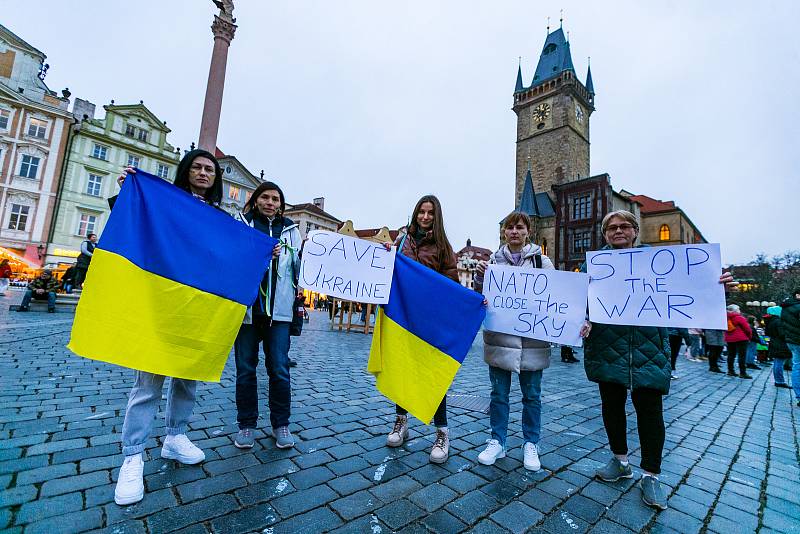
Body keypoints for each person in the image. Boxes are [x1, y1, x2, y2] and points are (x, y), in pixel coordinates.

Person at [579, 210, 735, 510]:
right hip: (607, 347)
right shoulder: (596, 266)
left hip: (649, 348)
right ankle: (620, 460)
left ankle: (651, 474)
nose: (617, 231)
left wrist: (721, 287)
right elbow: (581, 302)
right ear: (604, 234)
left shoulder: (662, 263)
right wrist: (582, 318)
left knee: (650, 412)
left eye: (624, 226)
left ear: (636, 231)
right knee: (611, 408)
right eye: (611, 228)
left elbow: (695, 289)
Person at [114, 149, 224, 506]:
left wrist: (260, 252)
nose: (204, 173)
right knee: (148, 383)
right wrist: (129, 191)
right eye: (198, 167)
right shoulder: (165, 199)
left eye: (210, 169)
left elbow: (227, 252)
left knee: (187, 379)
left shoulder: (219, 215)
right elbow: (133, 221)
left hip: (198, 308)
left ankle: (175, 437)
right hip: (161, 303)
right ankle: (132, 456)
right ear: (186, 171)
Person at [473, 211, 552, 471]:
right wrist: (481, 277)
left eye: (519, 227)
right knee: (499, 395)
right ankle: (498, 441)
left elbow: (556, 298)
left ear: (528, 231)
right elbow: (480, 296)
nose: (514, 231)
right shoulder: (492, 264)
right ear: (504, 232)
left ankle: (531, 443)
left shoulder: (543, 263)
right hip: (501, 340)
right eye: (510, 227)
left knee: (532, 396)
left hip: (532, 341)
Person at [384, 195, 459, 463]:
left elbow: (452, 282)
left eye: (430, 213)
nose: (425, 217)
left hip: (429, 320)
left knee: (433, 377)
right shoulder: (403, 241)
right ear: (415, 214)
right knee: (402, 370)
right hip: (403, 318)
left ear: (436, 217)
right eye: (421, 212)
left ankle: (442, 433)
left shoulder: (443, 246)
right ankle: (401, 422)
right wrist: (386, 255)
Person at [232, 181, 302, 450]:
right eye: (266, 197)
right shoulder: (241, 223)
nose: (270, 203)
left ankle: (280, 424)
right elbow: (232, 255)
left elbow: (301, 266)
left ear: (281, 205)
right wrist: (258, 254)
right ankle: (246, 425)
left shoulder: (291, 231)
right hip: (248, 311)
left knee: (280, 370)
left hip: (280, 313)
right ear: (256, 199)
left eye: (275, 199)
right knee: (246, 370)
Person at [780, 289, 800, 407]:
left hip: (791, 341)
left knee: (797, 366)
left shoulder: (786, 307)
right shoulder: (798, 307)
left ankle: (799, 395)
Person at [764, 306, 791, 389]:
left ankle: (778, 380)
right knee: (779, 362)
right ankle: (780, 381)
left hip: (774, 343)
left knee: (777, 362)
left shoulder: (770, 321)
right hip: (780, 344)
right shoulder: (778, 321)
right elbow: (782, 334)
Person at [724, 305, 752, 379]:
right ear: (735, 310)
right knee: (742, 356)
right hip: (741, 339)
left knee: (730, 355)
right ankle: (743, 373)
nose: (740, 310)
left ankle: (730, 371)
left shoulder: (725, 318)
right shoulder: (739, 318)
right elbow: (747, 329)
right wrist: (749, 337)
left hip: (729, 339)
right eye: (739, 309)